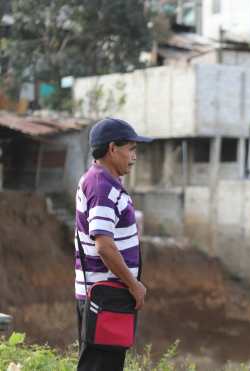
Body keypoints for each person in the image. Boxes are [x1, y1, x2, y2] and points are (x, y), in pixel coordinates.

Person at [74, 117, 152, 371]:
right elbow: (104, 246)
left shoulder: (105, 182)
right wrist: (134, 285)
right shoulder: (101, 187)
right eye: (130, 149)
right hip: (104, 295)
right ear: (112, 149)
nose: (134, 156)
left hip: (108, 294)